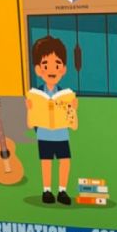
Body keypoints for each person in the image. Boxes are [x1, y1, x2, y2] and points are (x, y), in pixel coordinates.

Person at [26, 36, 78, 205]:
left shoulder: (65, 95)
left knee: (65, 161)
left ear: (63, 69)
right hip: (44, 135)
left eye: (57, 65)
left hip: (62, 135)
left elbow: (73, 124)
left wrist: (73, 109)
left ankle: (62, 190)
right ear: (38, 69)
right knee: (46, 163)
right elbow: (30, 123)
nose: (51, 70)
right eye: (45, 65)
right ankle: (47, 190)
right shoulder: (36, 95)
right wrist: (30, 109)